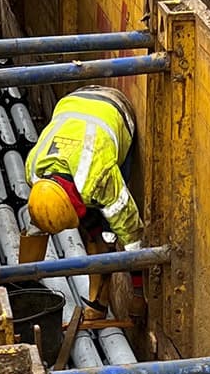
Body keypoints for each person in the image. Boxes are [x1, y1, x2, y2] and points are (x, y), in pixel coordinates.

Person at [20, 86, 146, 326]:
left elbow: (131, 232)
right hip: (74, 102)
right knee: (93, 228)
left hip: (115, 110)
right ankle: (96, 301)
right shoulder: (34, 170)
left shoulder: (99, 177)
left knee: (108, 232)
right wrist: (24, 287)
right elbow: (38, 223)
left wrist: (139, 292)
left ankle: (99, 302)